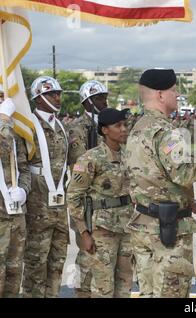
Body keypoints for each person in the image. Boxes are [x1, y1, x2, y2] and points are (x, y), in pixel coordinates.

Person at [125, 69, 196, 298]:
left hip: (144, 224)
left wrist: (190, 202)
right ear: (160, 95)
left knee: (149, 293)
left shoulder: (138, 127)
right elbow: (184, 174)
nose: (177, 94)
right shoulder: (166, 132)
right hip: (167, 233)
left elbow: (152, 178)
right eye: (174, 90)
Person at [67, 108, 133, 298]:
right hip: (101, 232)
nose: (123, 129)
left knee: (124, 285)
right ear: (104, 130)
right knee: (102, 288)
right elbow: (73, 196)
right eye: (118, 125)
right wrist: (84, 233)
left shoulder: (127, 156)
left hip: (126, 229)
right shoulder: (90, 158)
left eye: (125, 125)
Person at [22, 76, 69, 298]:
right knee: (35, 264)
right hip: (37, 207)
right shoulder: (28, 125)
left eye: (58, 94)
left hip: (59, 207)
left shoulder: (59, 125)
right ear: (38, 98)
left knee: (57, 261)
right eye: (52, 94)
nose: (57, 98)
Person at [67, 80, 108, 298]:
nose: (105, 101)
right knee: (87, 253)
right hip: (84, 199)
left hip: (106, 200)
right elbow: (80, 164)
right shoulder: (77, 128)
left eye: (105, 96)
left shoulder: (108, 124)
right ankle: (82, 293)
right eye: (100, 98)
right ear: (88, 101)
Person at [0, 92, 31, 298]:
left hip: (14, 212)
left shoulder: (12, 132)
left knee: (14, 272)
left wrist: (23, 189)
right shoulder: (6, 129)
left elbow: (24, 167)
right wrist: (3, 120)